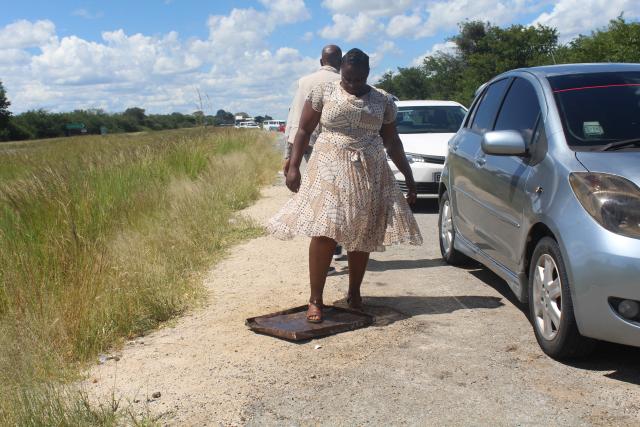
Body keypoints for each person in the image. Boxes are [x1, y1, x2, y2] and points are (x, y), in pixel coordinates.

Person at [268, 48, 422, 323]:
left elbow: (393, 142)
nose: (352, 85)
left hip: (368, 168)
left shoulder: (382, 100)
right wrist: (292, 165)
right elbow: (303, 130)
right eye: (348, 79)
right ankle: (315, 299)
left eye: (358, 80)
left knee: (360, 230)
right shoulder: (324, 92)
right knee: (325, 229)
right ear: (341, 71)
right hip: (329, 165)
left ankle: (354, 294)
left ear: (368, 74)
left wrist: (408, 177)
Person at [283, 44, 345, 270]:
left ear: (321, 62)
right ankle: (334, 243)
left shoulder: (305, 82)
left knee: (321, 197)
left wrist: (290, 159)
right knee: (338, 196)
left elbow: (296, 120)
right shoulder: (345, 82)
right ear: (341, 62)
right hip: (338, 147)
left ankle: (326, 245)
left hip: (309, 145)